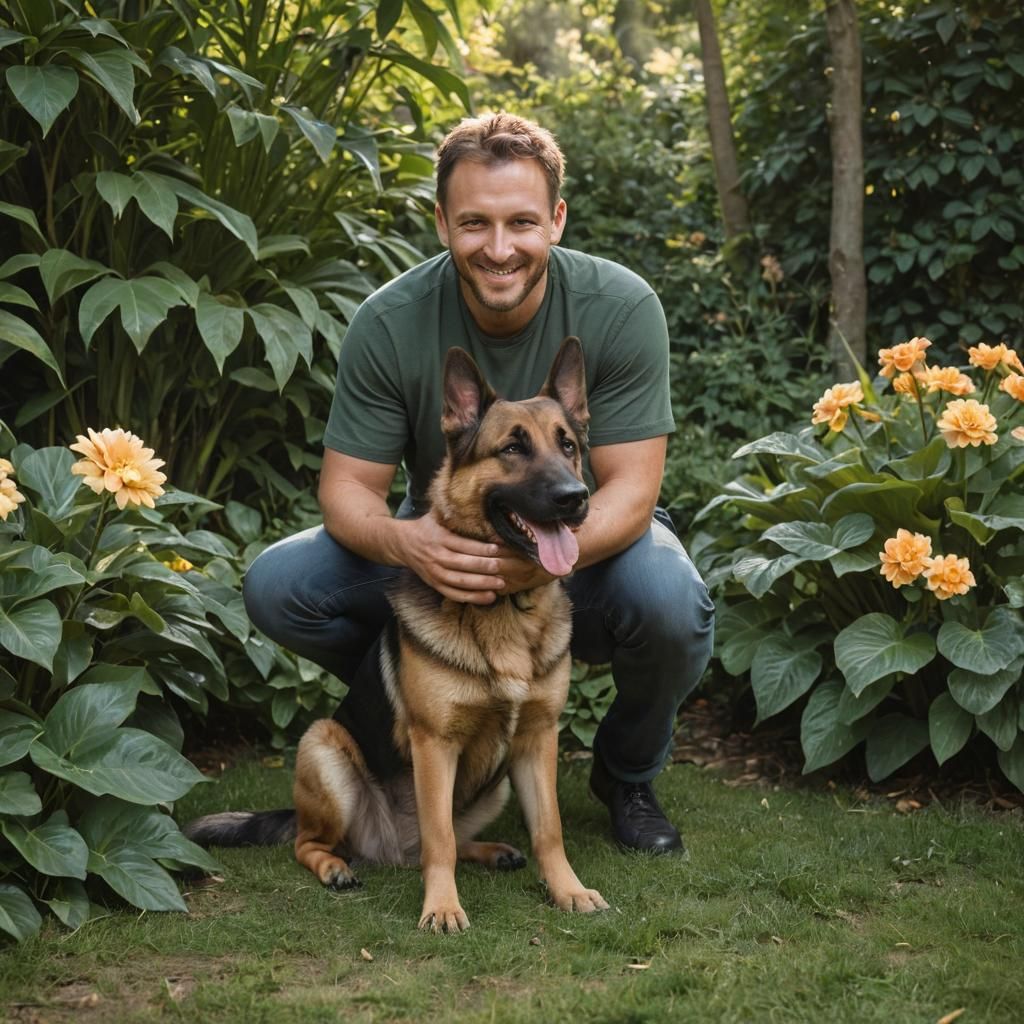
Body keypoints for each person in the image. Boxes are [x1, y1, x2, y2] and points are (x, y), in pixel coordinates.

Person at [243, 112, 715, 854]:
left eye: (522, 222)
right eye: (475, 224)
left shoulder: (621, 308)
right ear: (441, 222)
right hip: (445, 548)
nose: (499, 249)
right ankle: (427, 712)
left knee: (670, 601)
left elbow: (629, 492)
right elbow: (345, 492)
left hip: (572, 542)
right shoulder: (389, 321)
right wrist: (411, 544)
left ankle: (627, 776)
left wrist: (540, 558)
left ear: (556, 220)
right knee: (280, 582)